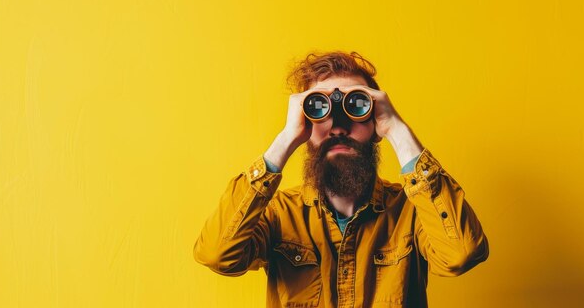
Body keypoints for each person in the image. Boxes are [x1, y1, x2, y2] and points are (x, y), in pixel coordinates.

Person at [193, 51, 490, 308]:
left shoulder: (411, 212)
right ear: (304, 124)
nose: (338, 127)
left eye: (357, 107)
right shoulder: (280, 213)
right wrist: (285, 139)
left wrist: (397, 129)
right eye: (319, 110)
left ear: (376, 124)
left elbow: (461, 254)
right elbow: (217, 254)